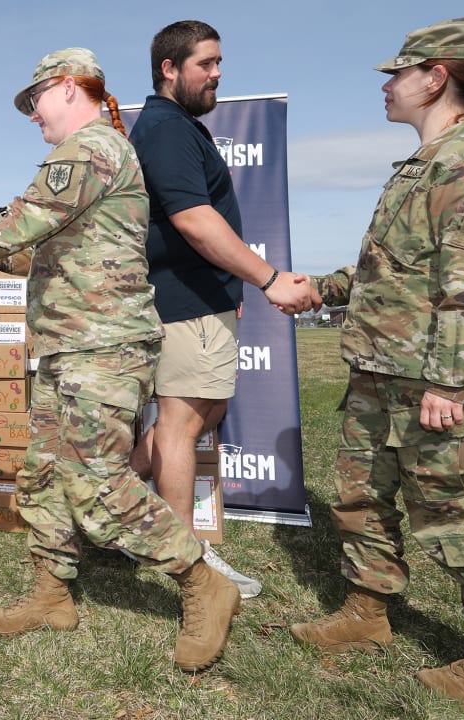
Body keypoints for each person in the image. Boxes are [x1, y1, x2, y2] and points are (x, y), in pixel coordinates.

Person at [0, 48, 239, 673]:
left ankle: (200, 580)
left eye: (35, 100)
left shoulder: (89, 148)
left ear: (69, 88)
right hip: (72, 346)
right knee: (45, 475)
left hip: (101, 347)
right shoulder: (98, 155)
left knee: (98, 483)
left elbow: (18, 221)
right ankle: (52, 595)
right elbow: (34, 250)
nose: (31, 114)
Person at [288, 17, 464, 713]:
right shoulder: (428, 162)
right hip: (381, 370)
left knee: (460, 514)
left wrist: (450, 380)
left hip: (441, 379)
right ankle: (367, 611)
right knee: (361, 496)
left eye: (398, 73)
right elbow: (399, 268)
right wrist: (323, 287)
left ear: (436, 76)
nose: (388, 85)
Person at [127, 20, 313, 601]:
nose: (217, 73)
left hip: (203, 301)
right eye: (206, 63)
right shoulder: (163, 128)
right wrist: (269, 278)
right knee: (183, 425)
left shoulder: (182, 128)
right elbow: (192, 220)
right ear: (169, 68)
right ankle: (190, 563)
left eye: (218, 62)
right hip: (183, 301)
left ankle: (105, 508)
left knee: (193, 418)